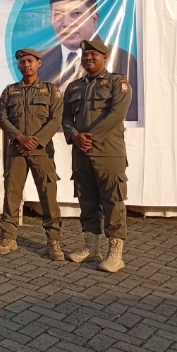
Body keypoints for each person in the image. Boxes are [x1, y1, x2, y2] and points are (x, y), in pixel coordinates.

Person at [63, 39, 132, 273]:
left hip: (108, 152)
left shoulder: (117, 83)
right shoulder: (74, 87)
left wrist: (90, 137)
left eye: (94, 54)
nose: (88, 58)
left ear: (105, 57)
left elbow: (116, 114)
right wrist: (75, 136)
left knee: (113, 200)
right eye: (85, 55)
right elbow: (66, 117)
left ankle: (116, 254)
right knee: (87, 200)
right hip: (81, 152)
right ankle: (91, 248)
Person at [0, 48, 64, 259]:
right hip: (16, 150)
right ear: (18, 65)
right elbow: (3, 118)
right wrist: (19, 138)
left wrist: (35, 141)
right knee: (12, 194)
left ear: (39, 63)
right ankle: (9, 237)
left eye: (30, 61)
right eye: (22, 62)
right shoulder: (10, 91)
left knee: (48, 195)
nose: (26, 65)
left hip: (42, 151)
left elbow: (56, 119)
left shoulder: (50, 90)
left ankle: (53, 241)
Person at [39, 0, 137, 120]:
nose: (66, 23)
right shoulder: (39, 61)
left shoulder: (122, 59)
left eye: (76, 14)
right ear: (50, 19)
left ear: (94, 18)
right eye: (58, 15)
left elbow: (128, 113)